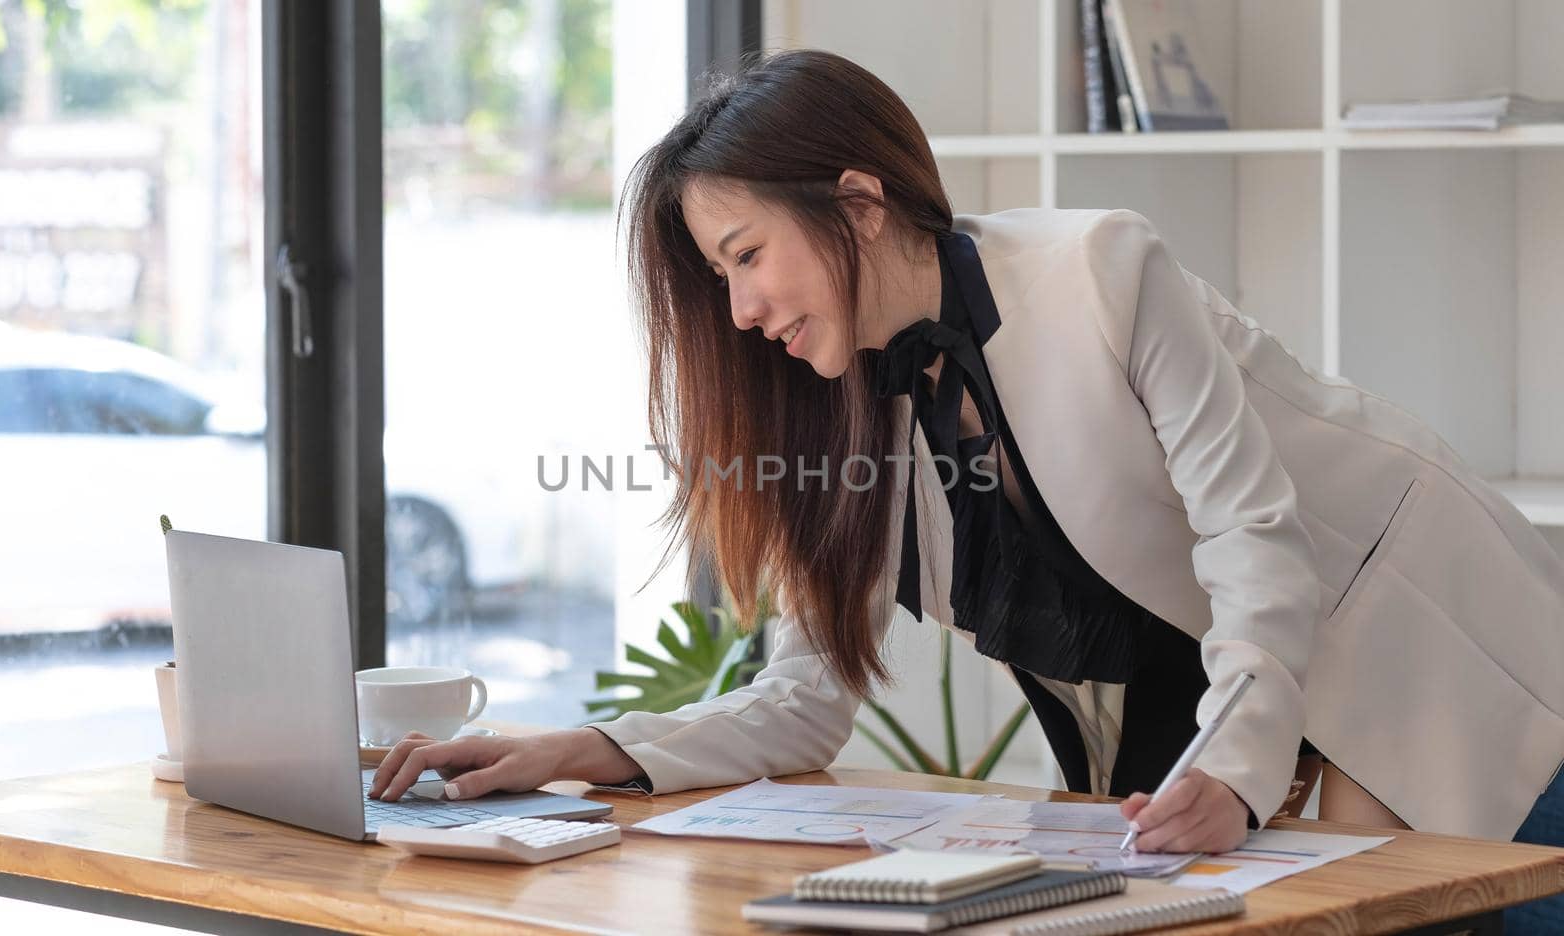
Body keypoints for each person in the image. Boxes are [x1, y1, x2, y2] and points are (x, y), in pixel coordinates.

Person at [370, 49, 1564, 929]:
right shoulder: (843, 405)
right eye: (716, 277)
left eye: (745, 258)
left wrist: (1235, 771)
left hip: (1430, 651)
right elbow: (801, 701)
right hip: (1232, 731)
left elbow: (1253, 537)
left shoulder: (1099, 272)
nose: (737, 312)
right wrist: (581, 749)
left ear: (855, 201)